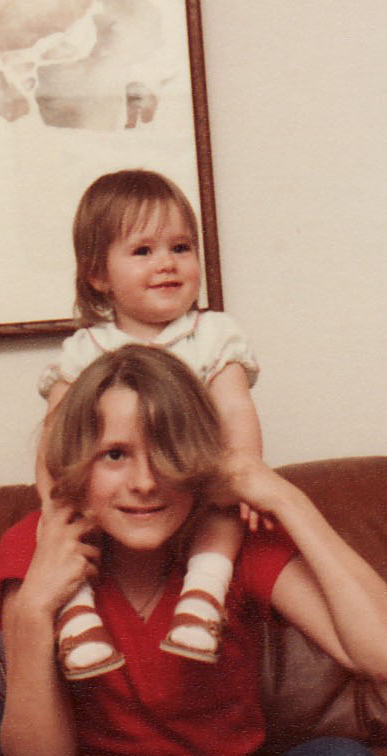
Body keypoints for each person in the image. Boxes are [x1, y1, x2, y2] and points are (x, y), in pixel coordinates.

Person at [0, 344, 387, 756]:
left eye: (166, 452)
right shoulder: (36, 545)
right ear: (76, 466)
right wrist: (33, 611)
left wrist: (285, 499)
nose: (144, 482)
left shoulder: (234, 541)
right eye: (115, 455)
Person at [37, 169, 262, 676]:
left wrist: (245, 478)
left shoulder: (212, 335)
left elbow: (235, 410)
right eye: (142, 251)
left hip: (194, 484)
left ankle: (202, 600)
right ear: (98, 275)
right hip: (116, 504)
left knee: (222, 513)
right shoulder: (87, 350)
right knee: (63, 529)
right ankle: (77, 615)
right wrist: (54, 504)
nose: (166, 264)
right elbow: (56, 435)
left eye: (181, 248)